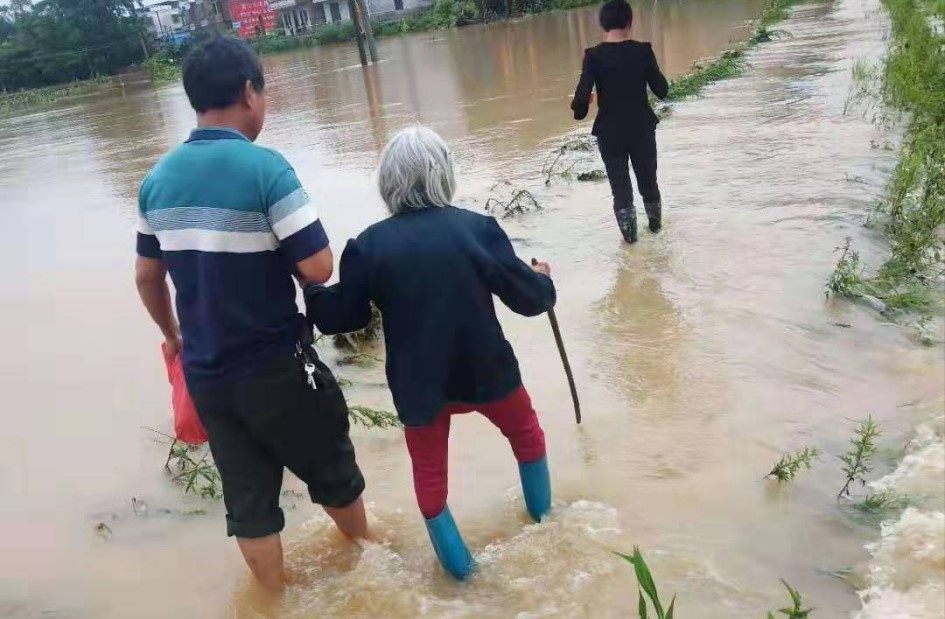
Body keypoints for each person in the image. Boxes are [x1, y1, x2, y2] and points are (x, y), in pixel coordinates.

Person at [134, 36, 369, 592]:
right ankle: (370, 566)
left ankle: (274, 599)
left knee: (249, 502)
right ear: (248, 92)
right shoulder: (265, 168)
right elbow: (316, 267)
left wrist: (174, 339)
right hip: (277, 368)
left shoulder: (156, 182)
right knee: (333, 473)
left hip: (209, 375)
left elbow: (147, 277)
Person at [305, 126, 555, 581]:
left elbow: (343, 317)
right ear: (445, 175)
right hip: (488, 372)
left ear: (388, 182)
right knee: (528, 439)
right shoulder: (478, 229)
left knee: (432, 486)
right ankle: (546, 529)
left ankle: (464, 577)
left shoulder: (368, 246)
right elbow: (529, 299)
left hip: (421, 388)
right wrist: (542, 277)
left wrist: (313, 290)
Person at [571, 0, 669, 243]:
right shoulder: (644, 50)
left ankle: (631, 242)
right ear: (630, 22)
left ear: (602, 25)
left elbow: (581, 104)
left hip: (609, 132)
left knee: (620, 188)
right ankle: (656, 230)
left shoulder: (592, 56)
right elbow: (662, 90)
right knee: (648, 181)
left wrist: (580, 106)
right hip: (641, 128)